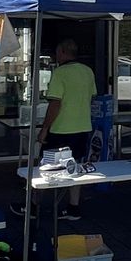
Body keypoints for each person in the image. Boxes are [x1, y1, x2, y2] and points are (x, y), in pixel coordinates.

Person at [36, 38, 97, 218]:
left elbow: (55, 103)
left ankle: (33, 205)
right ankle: (73, 206)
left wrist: (45, 127)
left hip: (61, 129)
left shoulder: (60, 73)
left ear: (62, 52)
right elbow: (92, 96)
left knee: (45, 167)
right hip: (82, 126)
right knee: (75, 166)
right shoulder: (88, 71)